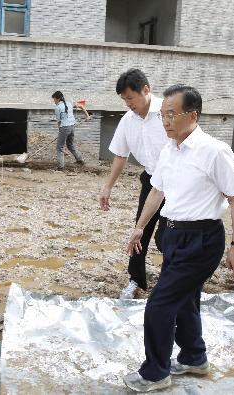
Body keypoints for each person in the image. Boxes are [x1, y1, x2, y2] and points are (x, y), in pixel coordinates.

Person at [122, 85, 234, 392]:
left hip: (203, 238)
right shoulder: (170, 149)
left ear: (192, 115)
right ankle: (194, 357)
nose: (165, 121)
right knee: (185, 299)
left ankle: (155, 372)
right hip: (173, 233)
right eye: (163, 115)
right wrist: (140, 226)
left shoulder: (214, 151)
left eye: (171, 114)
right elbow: (157, 191)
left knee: (159, 305)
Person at [99, 69, 169, 299]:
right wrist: (108, 186)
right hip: (151, 180)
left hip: (178, 182)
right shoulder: (128, 121)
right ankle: (136, 279)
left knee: (169, 236)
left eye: (131, 98)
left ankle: (172, 279)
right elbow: (121, 155)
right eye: (124, 99)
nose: (128, 104)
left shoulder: (168, 113)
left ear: (146, 90)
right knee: (141, 230)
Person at [51, 91, 86, 171]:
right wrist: (87, 115)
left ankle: (61, 167)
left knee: (60, 147)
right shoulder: (69, 103)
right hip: (72, 126)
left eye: (54, 99)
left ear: (58, 98)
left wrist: (60, 131)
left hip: (64, 127)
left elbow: (59, 122)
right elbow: (81, 106)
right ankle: (80, 160)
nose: (54, 101)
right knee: (70, 144)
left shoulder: (58, 107)